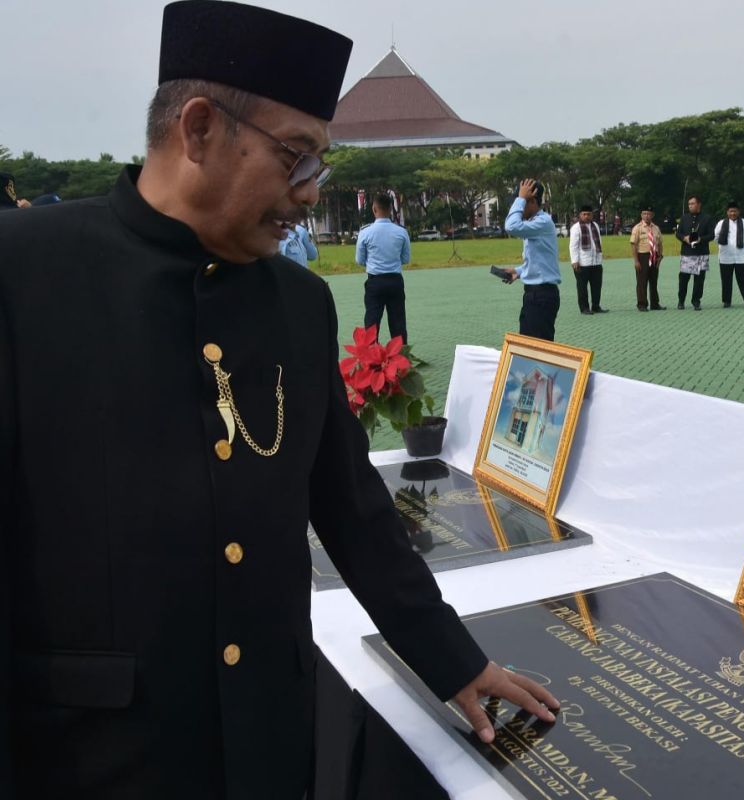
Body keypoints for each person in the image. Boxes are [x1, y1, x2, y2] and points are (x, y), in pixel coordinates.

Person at [0, 3, 558, 796]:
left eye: (317, 168)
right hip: (94, 755)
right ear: (197, 130)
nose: (307, 193)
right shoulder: (23, 275)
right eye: (296, 158)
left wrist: (453, 659)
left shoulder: (297, 303)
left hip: (267, 738)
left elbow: (352, 504)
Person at [502, 179, 561, 339]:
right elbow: (540, 259)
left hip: (542, 295)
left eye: (521, 203)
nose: (518, 208)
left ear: (533, 201)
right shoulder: (534, 223)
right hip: (534, 294)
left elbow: (511, 227)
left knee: (540, 350)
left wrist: (520, 198)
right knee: (528, 346)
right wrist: (519, 271)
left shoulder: (542, 221)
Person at [356, 193, 411, 342]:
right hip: (395, 281)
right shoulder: (401, 232)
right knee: (398, 322)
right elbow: (405, 259)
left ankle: (371, 360)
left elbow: (360, 260)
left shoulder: (365, 232)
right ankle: (401, 358)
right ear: (390, 209)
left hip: (375, 282)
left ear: (374, 209)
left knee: (372, 323)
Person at [675, 194, 714, 310]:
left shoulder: (707, 218)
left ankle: (696, 301)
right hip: (687, 253)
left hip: (701, 253)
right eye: (689, 204)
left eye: (692, 203)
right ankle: (681, 301)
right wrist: (684, 238)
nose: (690, 206)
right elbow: (678, 233)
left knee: (699, 280)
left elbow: (712, 235)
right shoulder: (684, 218)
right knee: (683, 279)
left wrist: (701, 239)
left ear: (699, 204)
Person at [715, 202, 744, 308]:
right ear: (727, 212)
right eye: (730, 211)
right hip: (725, 257)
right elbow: (716, 237)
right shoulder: (721, 223)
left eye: (735, 211)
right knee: (726, 281)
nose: (733, 213)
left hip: (741, 257)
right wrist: (722, 247)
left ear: (738, 212)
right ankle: (727, 301)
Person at [568, 204, 606, 314]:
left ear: (592, 215)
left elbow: (599, 242)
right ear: (580, 215)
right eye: (584, 214)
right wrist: (574, 261)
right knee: (582, 288)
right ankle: (584, 308)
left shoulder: (595, 225)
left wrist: (600, 258)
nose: (586, 216)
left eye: (589, 214)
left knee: (596, 286)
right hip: (582, 263)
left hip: (596, 262)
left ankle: (596, 306)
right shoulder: (576, 228)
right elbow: (573, 246)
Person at [629, 206, 664, 311]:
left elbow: (660, 243)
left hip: (654, 256)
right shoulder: (637, 228)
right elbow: (633, 245)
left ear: (652, 215)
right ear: (641, 215)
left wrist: (660, 257)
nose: (646, 216)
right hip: (642, 256)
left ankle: (655, 304)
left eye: (649, 214)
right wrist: (636, 261)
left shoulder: (656, 228)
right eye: (644, 214)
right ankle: (642, 304)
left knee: (654, 281)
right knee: (642, 282)